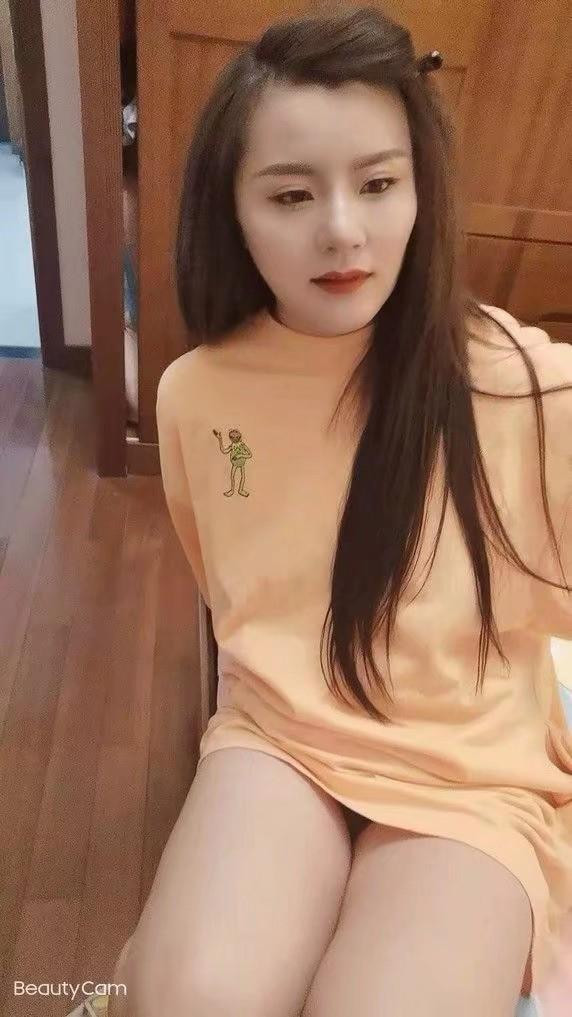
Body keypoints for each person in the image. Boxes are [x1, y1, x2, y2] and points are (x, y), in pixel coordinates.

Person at [103, 5, 572, 1017]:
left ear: (420, 189)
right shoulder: (196, 397)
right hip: (282, 733)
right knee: (190, 998)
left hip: (467, 776)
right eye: (291, 194)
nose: (343, 231)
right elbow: (237, 598)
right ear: (231, 210)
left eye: (378, 184)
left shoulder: (522, 388)